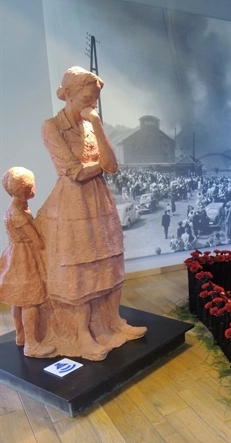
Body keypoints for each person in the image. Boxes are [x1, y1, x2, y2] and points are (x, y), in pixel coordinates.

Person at [36, 66, 146, 361]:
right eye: (88, 98)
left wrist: (96, 124)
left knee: (110, 261)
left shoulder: (90, 125)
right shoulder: (51, 127)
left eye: (96, 99)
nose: (93, 104)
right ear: (69, 94)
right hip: (73, 203)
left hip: (100, 201)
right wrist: (98, 166)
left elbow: (112, 166)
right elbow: (75, 172)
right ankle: (83, 336)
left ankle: (113, 322)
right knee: (80, 269)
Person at [0, 167, 55, 357]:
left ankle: (21, 336)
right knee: (30, 301)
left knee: (18, 301)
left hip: (14, 255)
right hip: (24, 258)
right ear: (25, 189)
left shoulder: (15, 208)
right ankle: (32, 345)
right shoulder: (18, 214)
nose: (34, 189)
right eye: (31, 186)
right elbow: (37, 241)